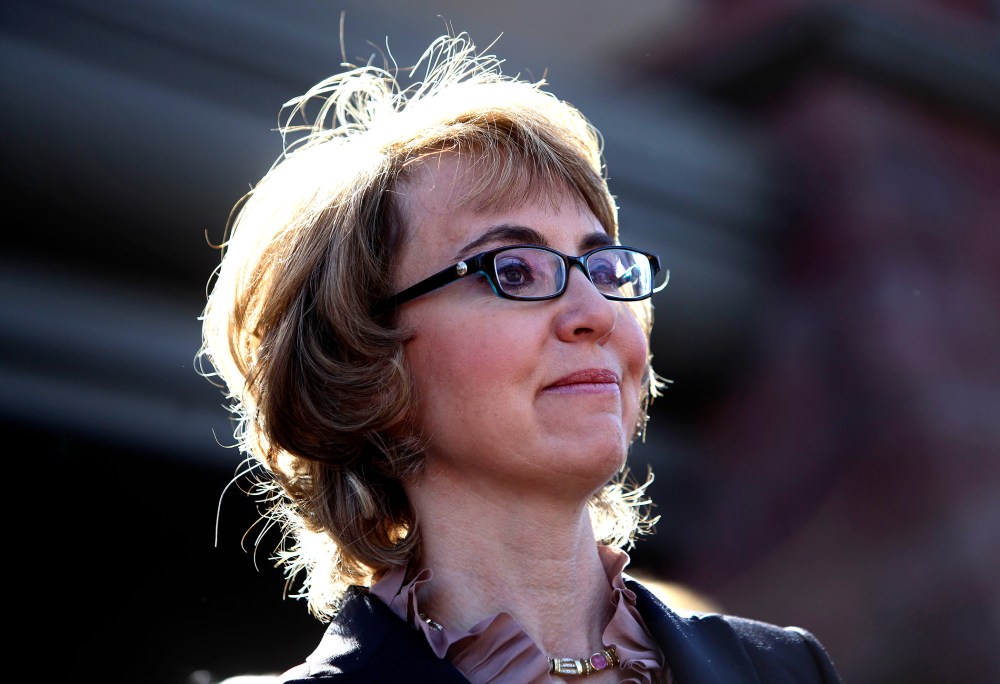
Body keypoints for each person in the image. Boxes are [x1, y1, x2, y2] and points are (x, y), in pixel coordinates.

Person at [198, 31, 843, 684]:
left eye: (603, 265)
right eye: (515, 269)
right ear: (363, 360)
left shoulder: (788, 670)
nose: (594, 312)